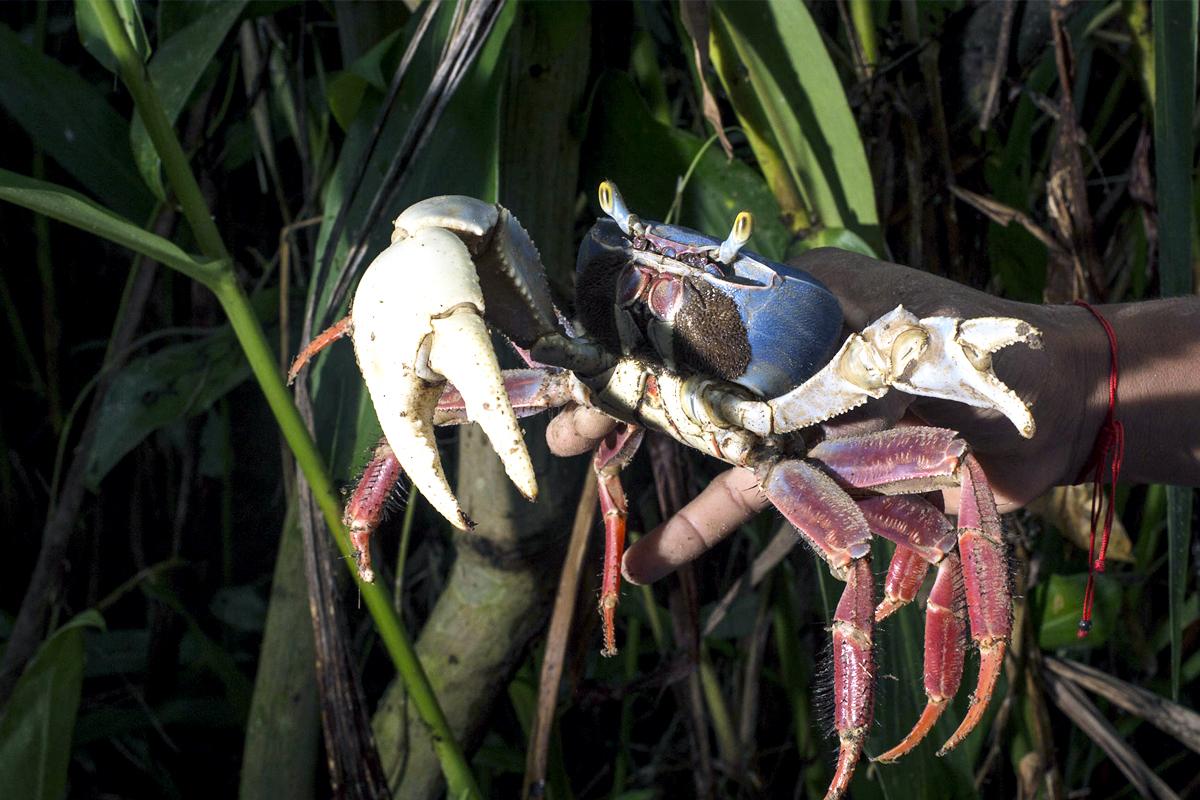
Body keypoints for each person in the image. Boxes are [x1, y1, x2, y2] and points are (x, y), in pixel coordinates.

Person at [545, 248, 1200, 587]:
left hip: (800, 432)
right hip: (763, 451)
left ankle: (855, 740)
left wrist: (1076, 386)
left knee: (879, 538)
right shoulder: (591, 349)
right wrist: (1080, 393)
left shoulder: (862, 353)